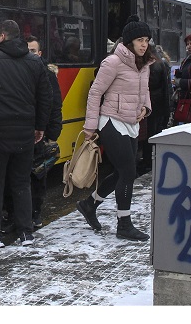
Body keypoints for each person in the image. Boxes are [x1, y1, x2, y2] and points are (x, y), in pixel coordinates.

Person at [76, 15, 155, 242]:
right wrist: (90, 126)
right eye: (140, 39)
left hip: (131, 122)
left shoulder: (145, 63)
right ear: (129, 41)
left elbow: (144, 91)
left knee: (122, 171)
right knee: (129, 172)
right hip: (111, 121)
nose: (144, 44)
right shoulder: (113, 62)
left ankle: (89, 204)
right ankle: (124, 224)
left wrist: (145, 108)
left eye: (147, 40)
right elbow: (95, 93)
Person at [0, 20, 52, 253]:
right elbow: (45, 97)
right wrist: (39, 126)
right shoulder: (35, 62)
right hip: (25, 132)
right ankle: (25, 231)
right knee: (21, 182)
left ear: (0, 35)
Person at [2, 36, 62, 232]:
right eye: (27, 50)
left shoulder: (47, 74)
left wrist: (52, 133)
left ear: (40, 53)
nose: (30, 54)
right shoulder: (18, 71)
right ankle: (15, 216)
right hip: (22, 132)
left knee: (37, 177)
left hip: (39, 134)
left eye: (34, 51)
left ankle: (35, 214)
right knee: (16, 178)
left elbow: (55, 106)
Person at [139, 43, 172, 174]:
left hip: (153, 104)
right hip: (160, 105)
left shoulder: (152, 66)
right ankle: (150, 161)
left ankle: (148, 162)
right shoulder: (161, 63)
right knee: (154, 133)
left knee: (150, 135)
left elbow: (150, 85)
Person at [173, 33, 191, 124]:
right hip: (185, 98)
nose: (189, 46)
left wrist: (180, 82)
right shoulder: (186, 60)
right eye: (187, 44)